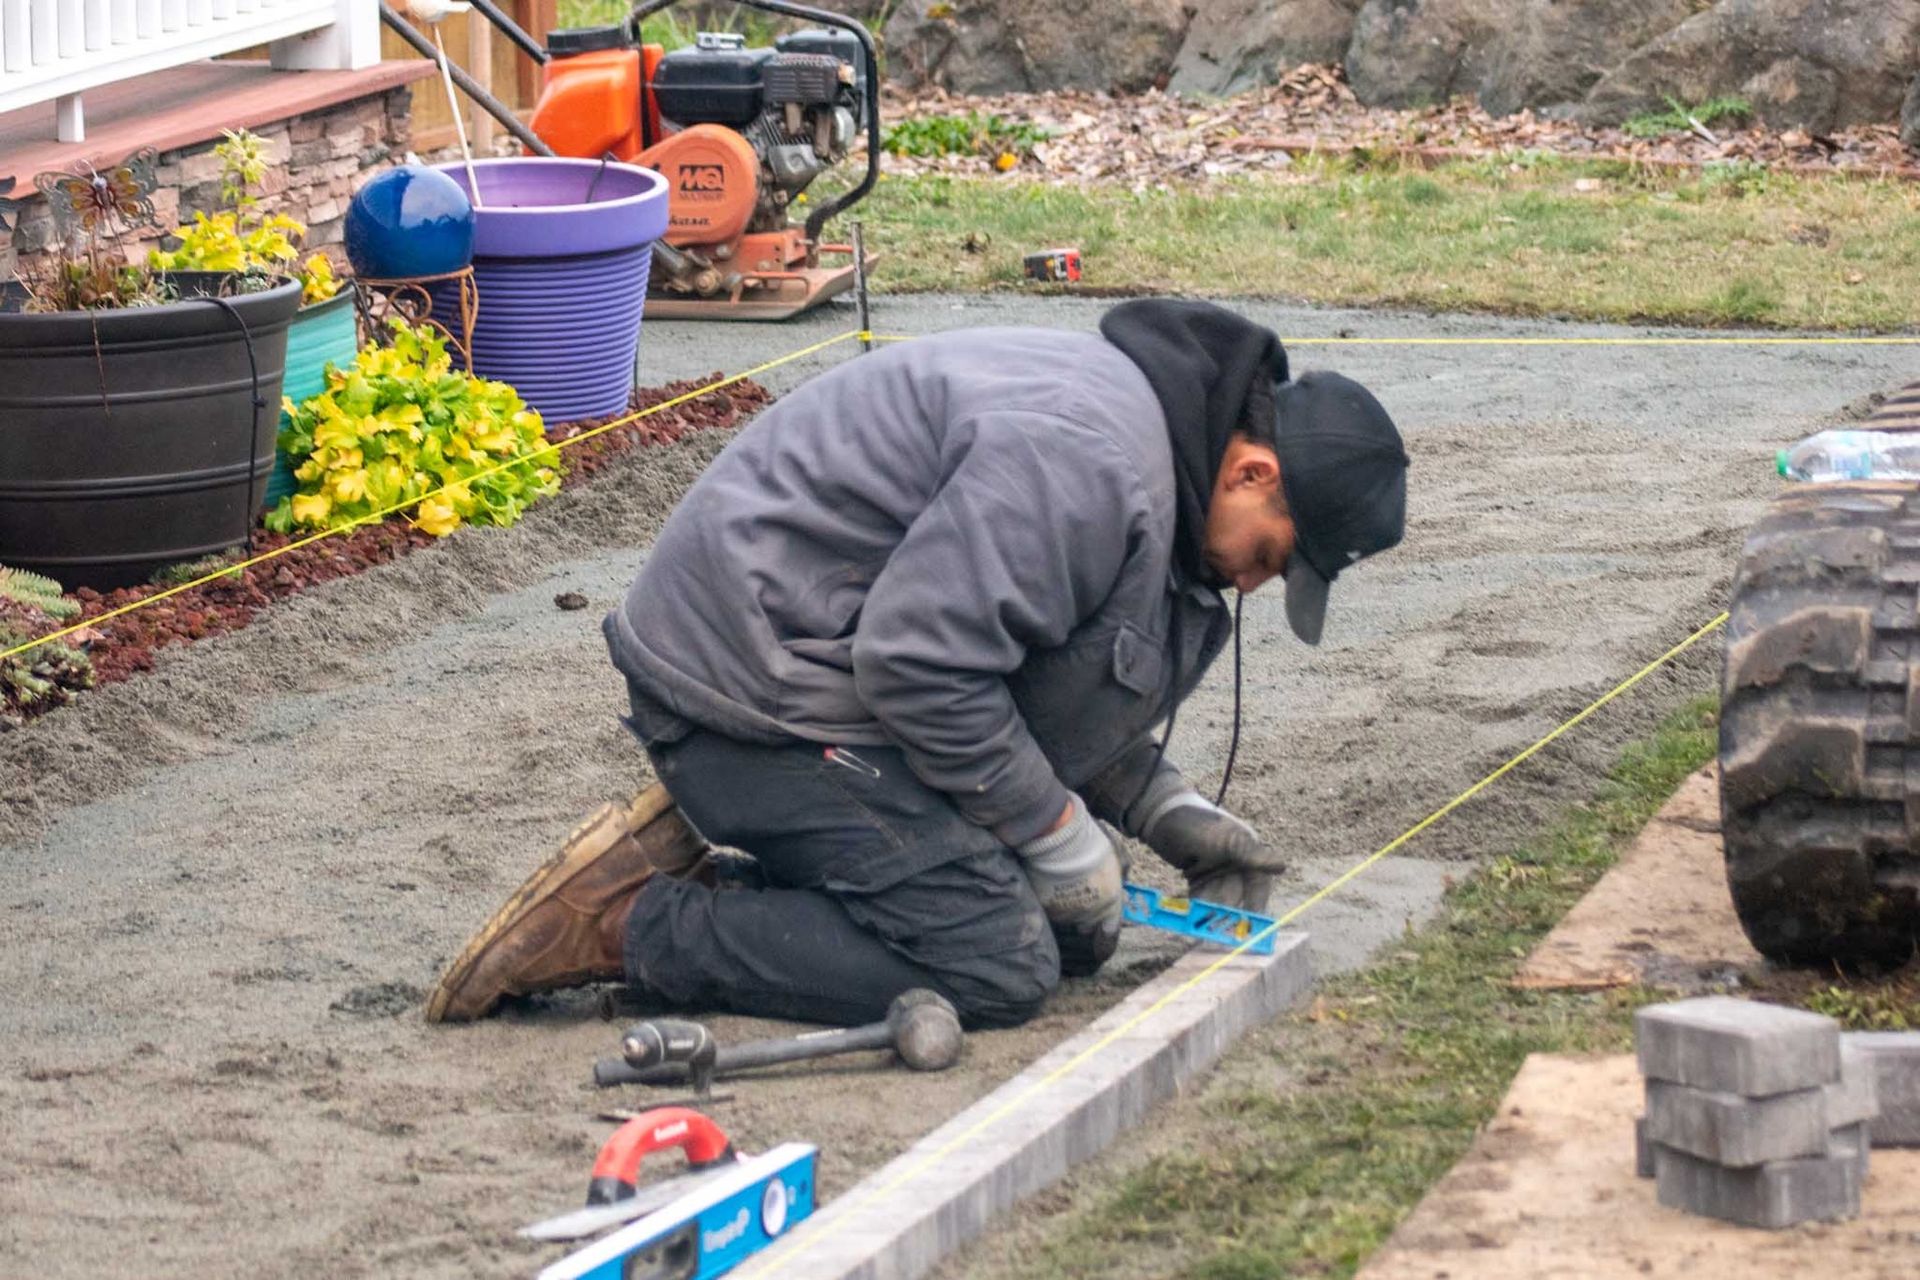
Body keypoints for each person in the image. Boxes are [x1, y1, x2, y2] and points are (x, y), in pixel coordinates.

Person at [426, 299, 1408, 1029]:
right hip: (753, 692)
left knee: (1075, 934)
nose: (1254, 586)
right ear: (1251, 471)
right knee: (999, 964)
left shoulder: (1160, 466)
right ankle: (631, 918)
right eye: (1274, 556)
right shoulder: (1089, 465)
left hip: (829, 680)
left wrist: (1159, 803)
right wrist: (1055, 827)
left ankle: (771, 879)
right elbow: (920, 664)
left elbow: (1031, 662)